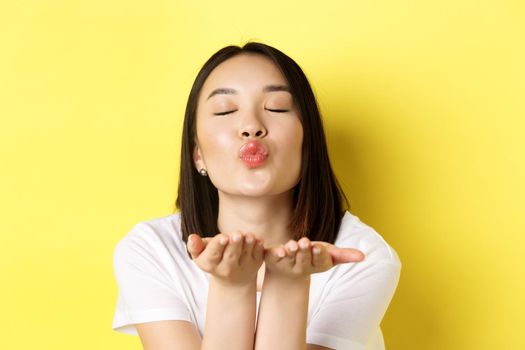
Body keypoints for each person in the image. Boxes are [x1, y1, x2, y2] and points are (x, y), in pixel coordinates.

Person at [112, 42, 402, 350]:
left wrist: (287, 283)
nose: (251, 126)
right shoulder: (151, 249)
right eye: (225, 110)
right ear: (198, 154)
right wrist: (233, 287)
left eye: (276, 107)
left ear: (308, 145)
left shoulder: (362, 257)